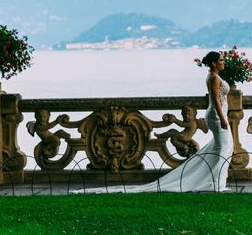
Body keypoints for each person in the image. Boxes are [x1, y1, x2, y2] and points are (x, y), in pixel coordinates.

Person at [76, 51, 233, 193]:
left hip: (216, 116)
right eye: (220, 60)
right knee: (224, 149)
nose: (223, 62)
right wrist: (223, 118)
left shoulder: (214, 76)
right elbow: (216, 100)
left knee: (220, 149)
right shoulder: (213, 78)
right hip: (217, 116)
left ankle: (215, 181)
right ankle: (217, 184)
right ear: (213, 63)